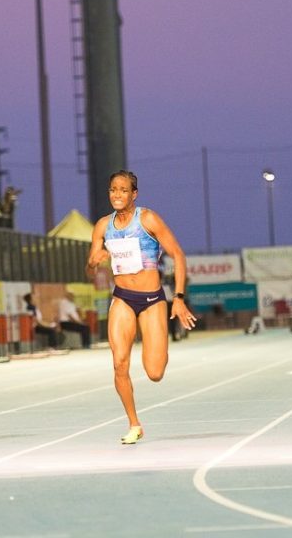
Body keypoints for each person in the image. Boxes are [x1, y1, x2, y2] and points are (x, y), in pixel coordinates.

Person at [86, 170, 197, 444]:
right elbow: (91, 267)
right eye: (113, 189)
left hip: (151, 301)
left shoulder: (147, 219)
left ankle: (160, 349)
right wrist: (93, 262)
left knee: (155, 372)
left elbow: (179, 255)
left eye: (123, 190)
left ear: (134, 194)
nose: (117, 195)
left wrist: (179, 298)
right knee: (119, 363)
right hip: (122, 297)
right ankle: (134, 423)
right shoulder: (102, 226)